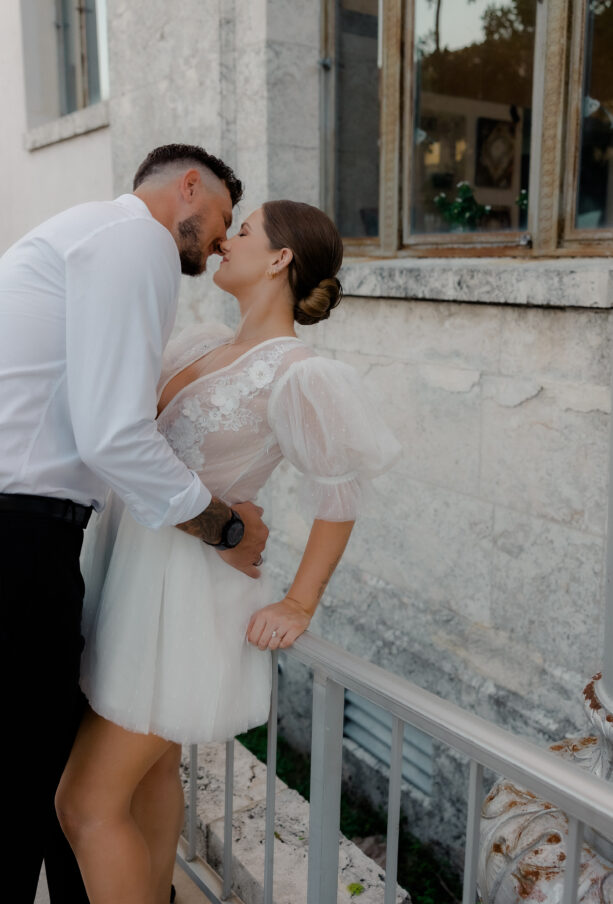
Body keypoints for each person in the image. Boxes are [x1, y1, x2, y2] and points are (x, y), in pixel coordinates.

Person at [56, 199, 400, 904]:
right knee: (150, 776)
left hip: (182, 602)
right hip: (129, 574)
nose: (223, 242)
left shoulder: (298, 373)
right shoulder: (202, 341)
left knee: (83, 803)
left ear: (278, 259)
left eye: (242, 232)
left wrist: (298, 600)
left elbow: (339, 497)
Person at [0, 144, 268, 904]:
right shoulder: (134, 241)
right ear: (188, 186)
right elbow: (112, 435)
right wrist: (224, 528)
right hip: (19, 538)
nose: (220, 241)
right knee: (31, 780)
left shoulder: (78, 235)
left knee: (49, 768)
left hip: (30, 534)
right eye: (220, 220)